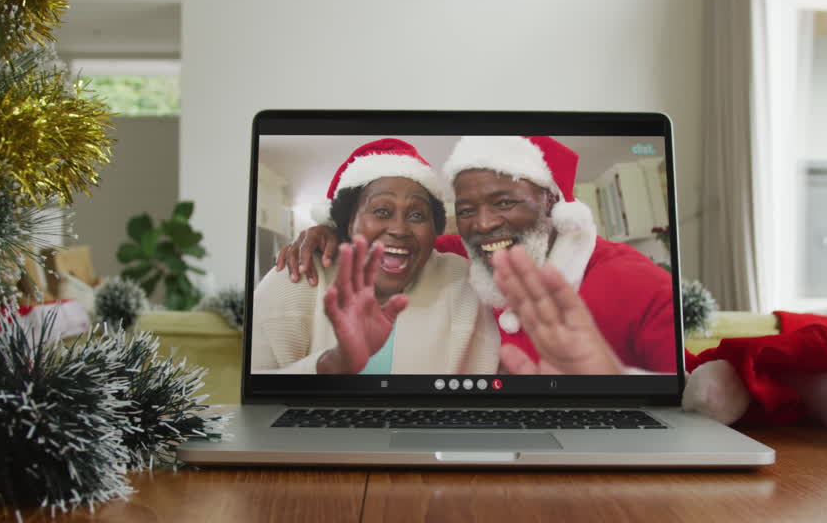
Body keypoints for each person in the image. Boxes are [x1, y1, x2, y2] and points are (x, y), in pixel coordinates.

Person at [276, 136, 677, 374]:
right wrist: (335, 228)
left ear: (551, 200)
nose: (482, 225)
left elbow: (698, 394)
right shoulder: (460, 257)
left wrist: (612, 384)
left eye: (504, 202)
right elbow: (401, 246)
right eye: (466, 210)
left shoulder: (633, 279)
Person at [252, 138, 498, 374]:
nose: (399, 229)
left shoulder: (464, 282)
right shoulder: (296, 278)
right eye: (381, 211)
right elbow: (258, 397)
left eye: (416, 215)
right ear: (348, 223)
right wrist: (332, 364)